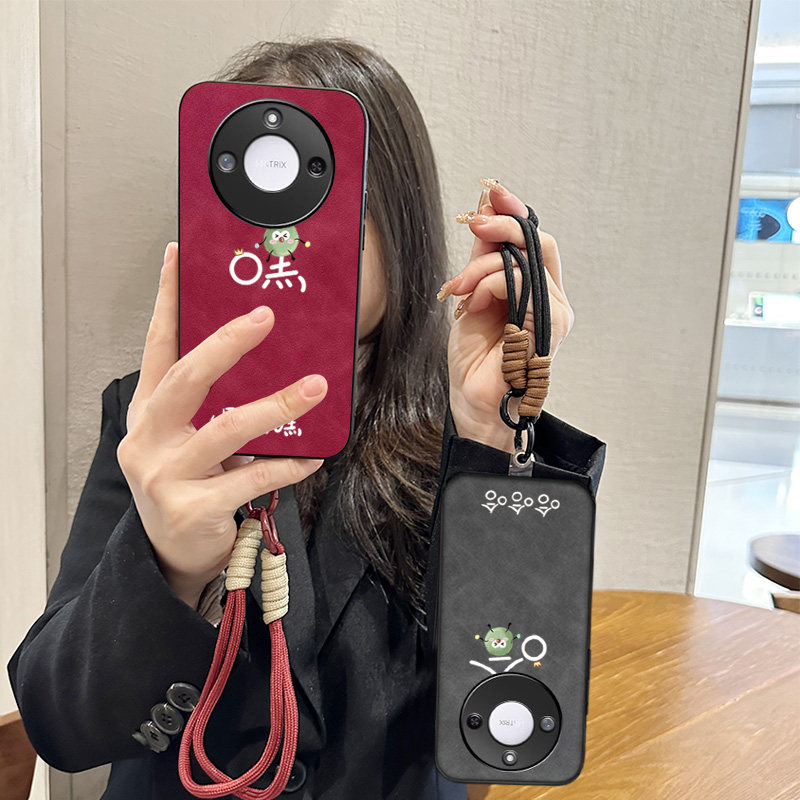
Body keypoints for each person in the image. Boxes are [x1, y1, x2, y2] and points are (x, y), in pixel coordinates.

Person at [7, 37, 605, 800]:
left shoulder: (462, 428)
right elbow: (58, 725)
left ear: (400, 219)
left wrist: (488, 436)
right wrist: (168, 565)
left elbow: (506, 724)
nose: (284, 242)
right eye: (250, 210)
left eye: (327, 203)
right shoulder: (154, 423)